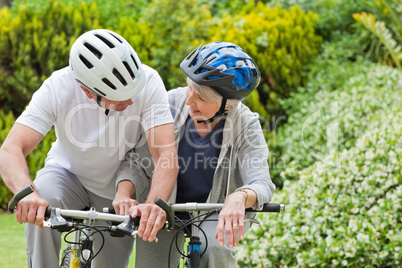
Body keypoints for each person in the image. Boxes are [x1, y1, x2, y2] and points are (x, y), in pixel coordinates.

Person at [0, 29, 178, 268]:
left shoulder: (150, 81)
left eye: (134, 91)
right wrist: (27, 193)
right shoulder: (57, 86)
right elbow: (11, 148)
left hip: (119, 190)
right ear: (87, 91)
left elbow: (165, 154)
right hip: (66, 176)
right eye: (120, 97)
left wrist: (154, 204)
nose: (131, 102)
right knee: (42, 197)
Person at [116, 41, 276, 267]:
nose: (189, 99)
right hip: (165, 206)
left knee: (215, 248)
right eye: (190, 88)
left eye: (201, 98)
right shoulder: (171, 103)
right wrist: (123, 193)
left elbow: (262, 183)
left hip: (214, 210)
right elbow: (136, 161)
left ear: (227, 106)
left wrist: (238, 197)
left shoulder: (246, 125)